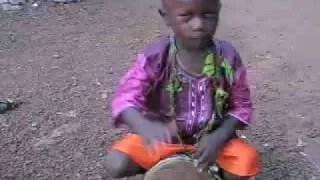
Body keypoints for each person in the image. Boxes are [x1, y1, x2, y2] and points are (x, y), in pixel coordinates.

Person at [103, 0, 260, 179]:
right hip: (163, 140)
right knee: (116, 163)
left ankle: (198, 167)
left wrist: (219, 137)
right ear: (166, 16)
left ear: (218, 11)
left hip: (209, 141)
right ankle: (172, 165)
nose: (199, 25)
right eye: (186, 16)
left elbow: (242, 106)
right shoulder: (156, 56)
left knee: (246, 162)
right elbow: (125, 98)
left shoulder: (228, 56)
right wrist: (143, 125)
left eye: (208, 15)